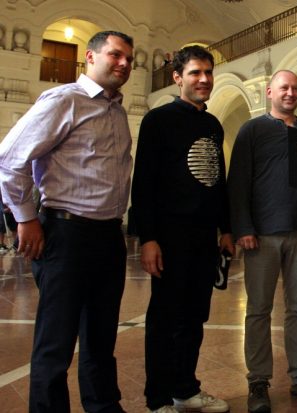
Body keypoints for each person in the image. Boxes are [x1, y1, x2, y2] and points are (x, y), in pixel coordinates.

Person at [0, 31, 134, 412]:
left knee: (101, 337)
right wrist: (26, 219)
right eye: (115, 55)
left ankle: (103, 406)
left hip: (109, 235)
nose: (124, 63)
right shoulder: (64, 101)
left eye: (129, 59)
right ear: (90, 57)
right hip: (67, 233)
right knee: (56, 342)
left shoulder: (117, 110)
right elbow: (10, 159)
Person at [131, 45, 233, 413]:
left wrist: (226, 228)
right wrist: (149, 238)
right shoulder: (157, 121)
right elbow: (143, 183)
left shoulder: (212, 124)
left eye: (208, 72)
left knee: (194, 317)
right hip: (170, 237)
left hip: (204, 239)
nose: (204, 79)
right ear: (178, 77)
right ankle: (158, 399)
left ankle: (186, 389)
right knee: (165, 319)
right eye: (195, 73)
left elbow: (218, 180)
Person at [228, 69, 297, 413]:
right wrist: (242, 227)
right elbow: (238, 181)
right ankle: (258, 382)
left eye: (295, 88)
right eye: (284, 87)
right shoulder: (252, 130)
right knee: (258, 310)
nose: (290, 93)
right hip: (262, 235)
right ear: (269, 92)